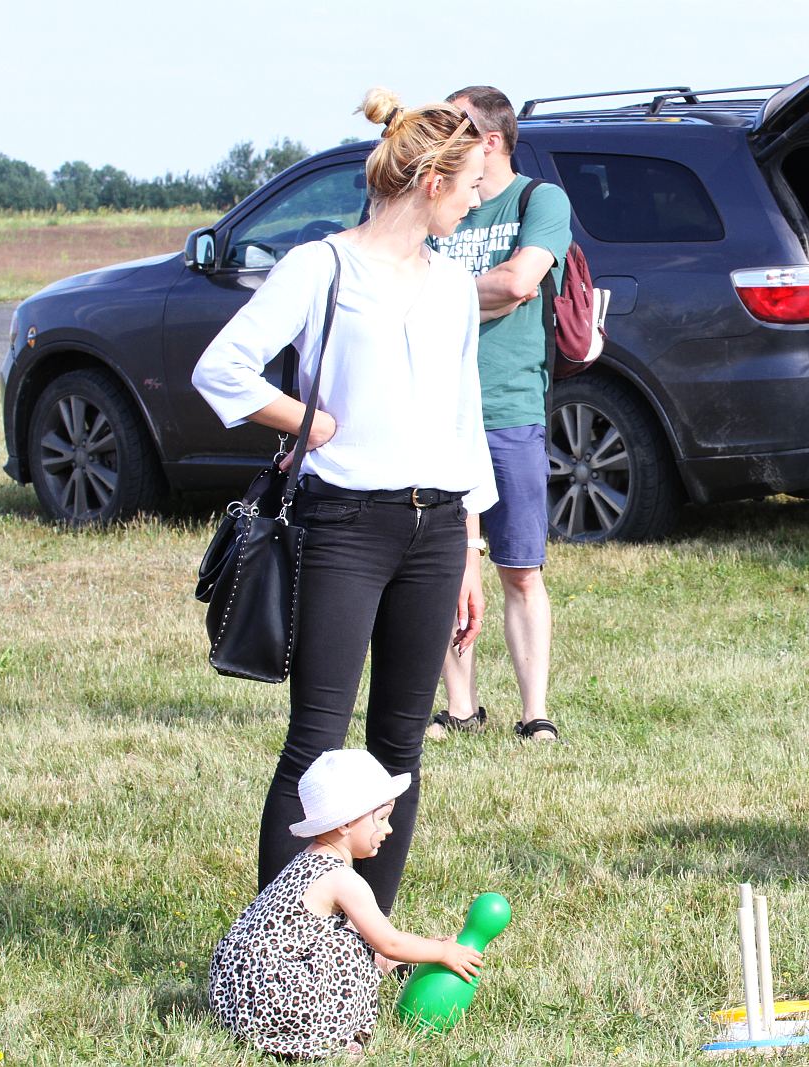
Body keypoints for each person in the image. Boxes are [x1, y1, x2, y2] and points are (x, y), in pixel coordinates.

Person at [193, 88, 496, 913]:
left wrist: (470, 550)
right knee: (316, 748)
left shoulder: (455, 286)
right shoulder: (320, 266)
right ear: (431, 180)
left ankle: (362, 949)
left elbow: (464, 421)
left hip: (437, 530)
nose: (478, 198)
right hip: (343, 528)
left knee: (400, 749)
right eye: (471, 182)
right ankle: (284, 945)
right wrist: (308, 421)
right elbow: (221, 370)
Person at [425, 84, 571, 744]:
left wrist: (443, 293)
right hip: (434, 409)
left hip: (509, 409)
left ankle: (534, 713)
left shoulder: (539, 201)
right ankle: (459, 709)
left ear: (489, 141)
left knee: (518, 567)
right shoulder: (436, 204)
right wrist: (478, 295)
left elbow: (519, 282)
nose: (441, 145)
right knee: (441, 565)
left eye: (455, 133)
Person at [208, 749, 483, 1059]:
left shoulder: (304, 861)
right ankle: (328, 1036)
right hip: (281, 1006)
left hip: (237, 1001)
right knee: (351, 946)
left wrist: (424, 946)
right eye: (381, 818)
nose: (389, 829)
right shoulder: (344, 880)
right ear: (345, 823)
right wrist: (443, 951)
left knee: (346, 933)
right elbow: (387, 942)